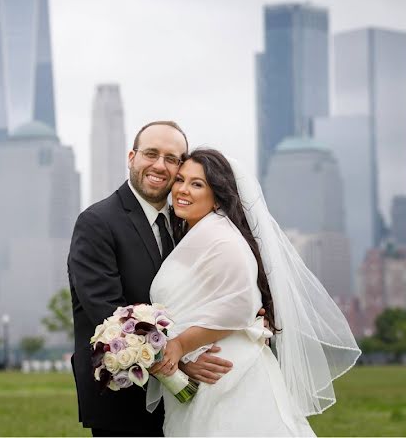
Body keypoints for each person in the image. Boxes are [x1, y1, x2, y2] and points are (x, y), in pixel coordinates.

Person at [147, 148, 361, 436]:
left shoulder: (221, 237)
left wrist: (179, 346)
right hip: (204, 372)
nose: (183, 190)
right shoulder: (196, 233)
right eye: (180, 180)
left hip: (226, 373)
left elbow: (239, 305)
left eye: (197, 184)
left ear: (218, 196)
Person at [68, 122, 235, 437]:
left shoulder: (186, 223)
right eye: (151, 154)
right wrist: (180, 363)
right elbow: (109, 315)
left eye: (172, 158)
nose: (160, 165)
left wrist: (246, 314)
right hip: (125, 401)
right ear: (131, 157)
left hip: (188, 406)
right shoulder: (97, 223)